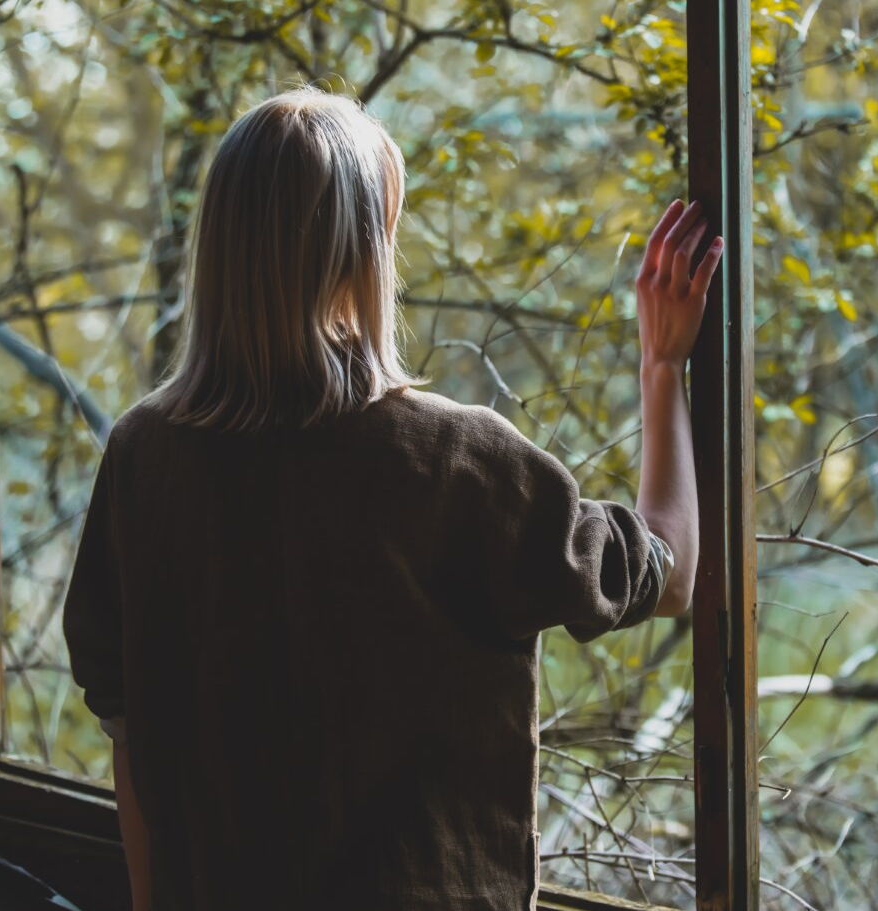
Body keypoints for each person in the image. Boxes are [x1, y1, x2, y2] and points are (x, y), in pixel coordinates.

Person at [62, 86, 722, 911]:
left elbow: (128, 727)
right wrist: (662, 367)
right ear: (363, 257)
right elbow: (669, 571)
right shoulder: (456, 463)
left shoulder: (143, 457)